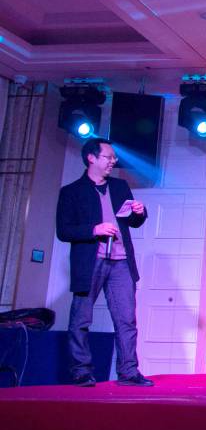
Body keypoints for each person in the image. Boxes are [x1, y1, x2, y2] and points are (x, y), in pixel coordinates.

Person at [56, 138, 151, 387]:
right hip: (91, 262)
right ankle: (81, 371)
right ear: (91, 158)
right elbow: (63, 231)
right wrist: (94, 229)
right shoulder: (71, 191)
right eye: (108, 157)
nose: (113, 161)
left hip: (121, 261)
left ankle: (128, 371)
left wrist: (140, 212)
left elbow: (133, 222)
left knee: (126, 319)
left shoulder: (120, 186)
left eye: (113, 158)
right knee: (81, 319)